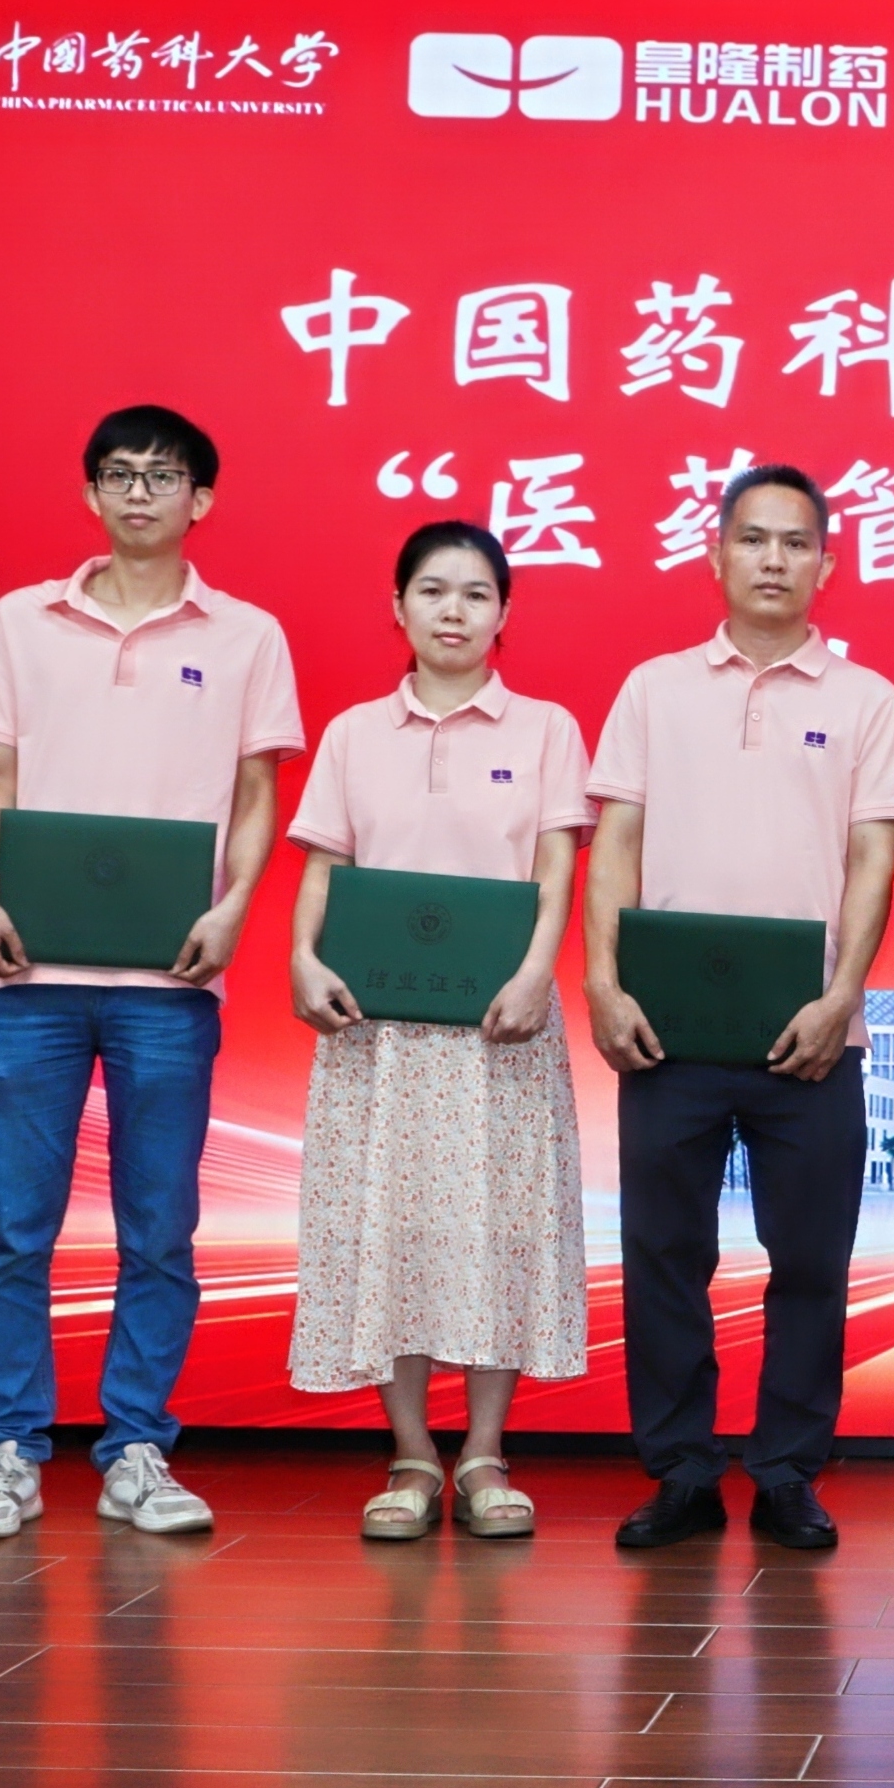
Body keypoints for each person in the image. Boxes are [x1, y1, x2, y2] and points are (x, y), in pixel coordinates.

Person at [0, 406, 303, 1542]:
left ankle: (137, 1446)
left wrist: (234, 907)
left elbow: (256, 791)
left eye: (164, 475)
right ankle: (7, 1449)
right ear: (90, 491)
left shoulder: (246, 635)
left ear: (203, 499)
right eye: (119, 473)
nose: (140, 491)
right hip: (28, 972)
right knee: (13, 1228)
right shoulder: (22, 621)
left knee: (158, 1230)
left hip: (168, 982)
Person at [590, 464, 894, 1555]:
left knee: (812, 1261)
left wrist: (842, 996)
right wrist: (603, 982)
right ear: (716, 553)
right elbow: (616, 842)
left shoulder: (867, 700)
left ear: (828, 563)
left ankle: (786, 1472)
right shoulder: (654, 689)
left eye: (796, 542)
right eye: (754, 538)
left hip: (810, 1033)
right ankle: (681, 1470)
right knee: (664, 1256)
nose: (775, 559)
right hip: (667, 1029)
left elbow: (874, 859)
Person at [281, 523, 595, 1541]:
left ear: (505, 613)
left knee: (500, 1228)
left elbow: (555, 866)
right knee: (390, 1229)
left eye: (475, 593)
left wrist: (537, 972)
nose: (452, 610)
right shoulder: (353, 733)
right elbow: (325, 864)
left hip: (499, 1024)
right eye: (431, 589)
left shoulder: (544, 728)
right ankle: (413, 1453)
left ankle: (487, 1454)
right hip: (378, 1030)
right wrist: (303, 956)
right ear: (398, 606)